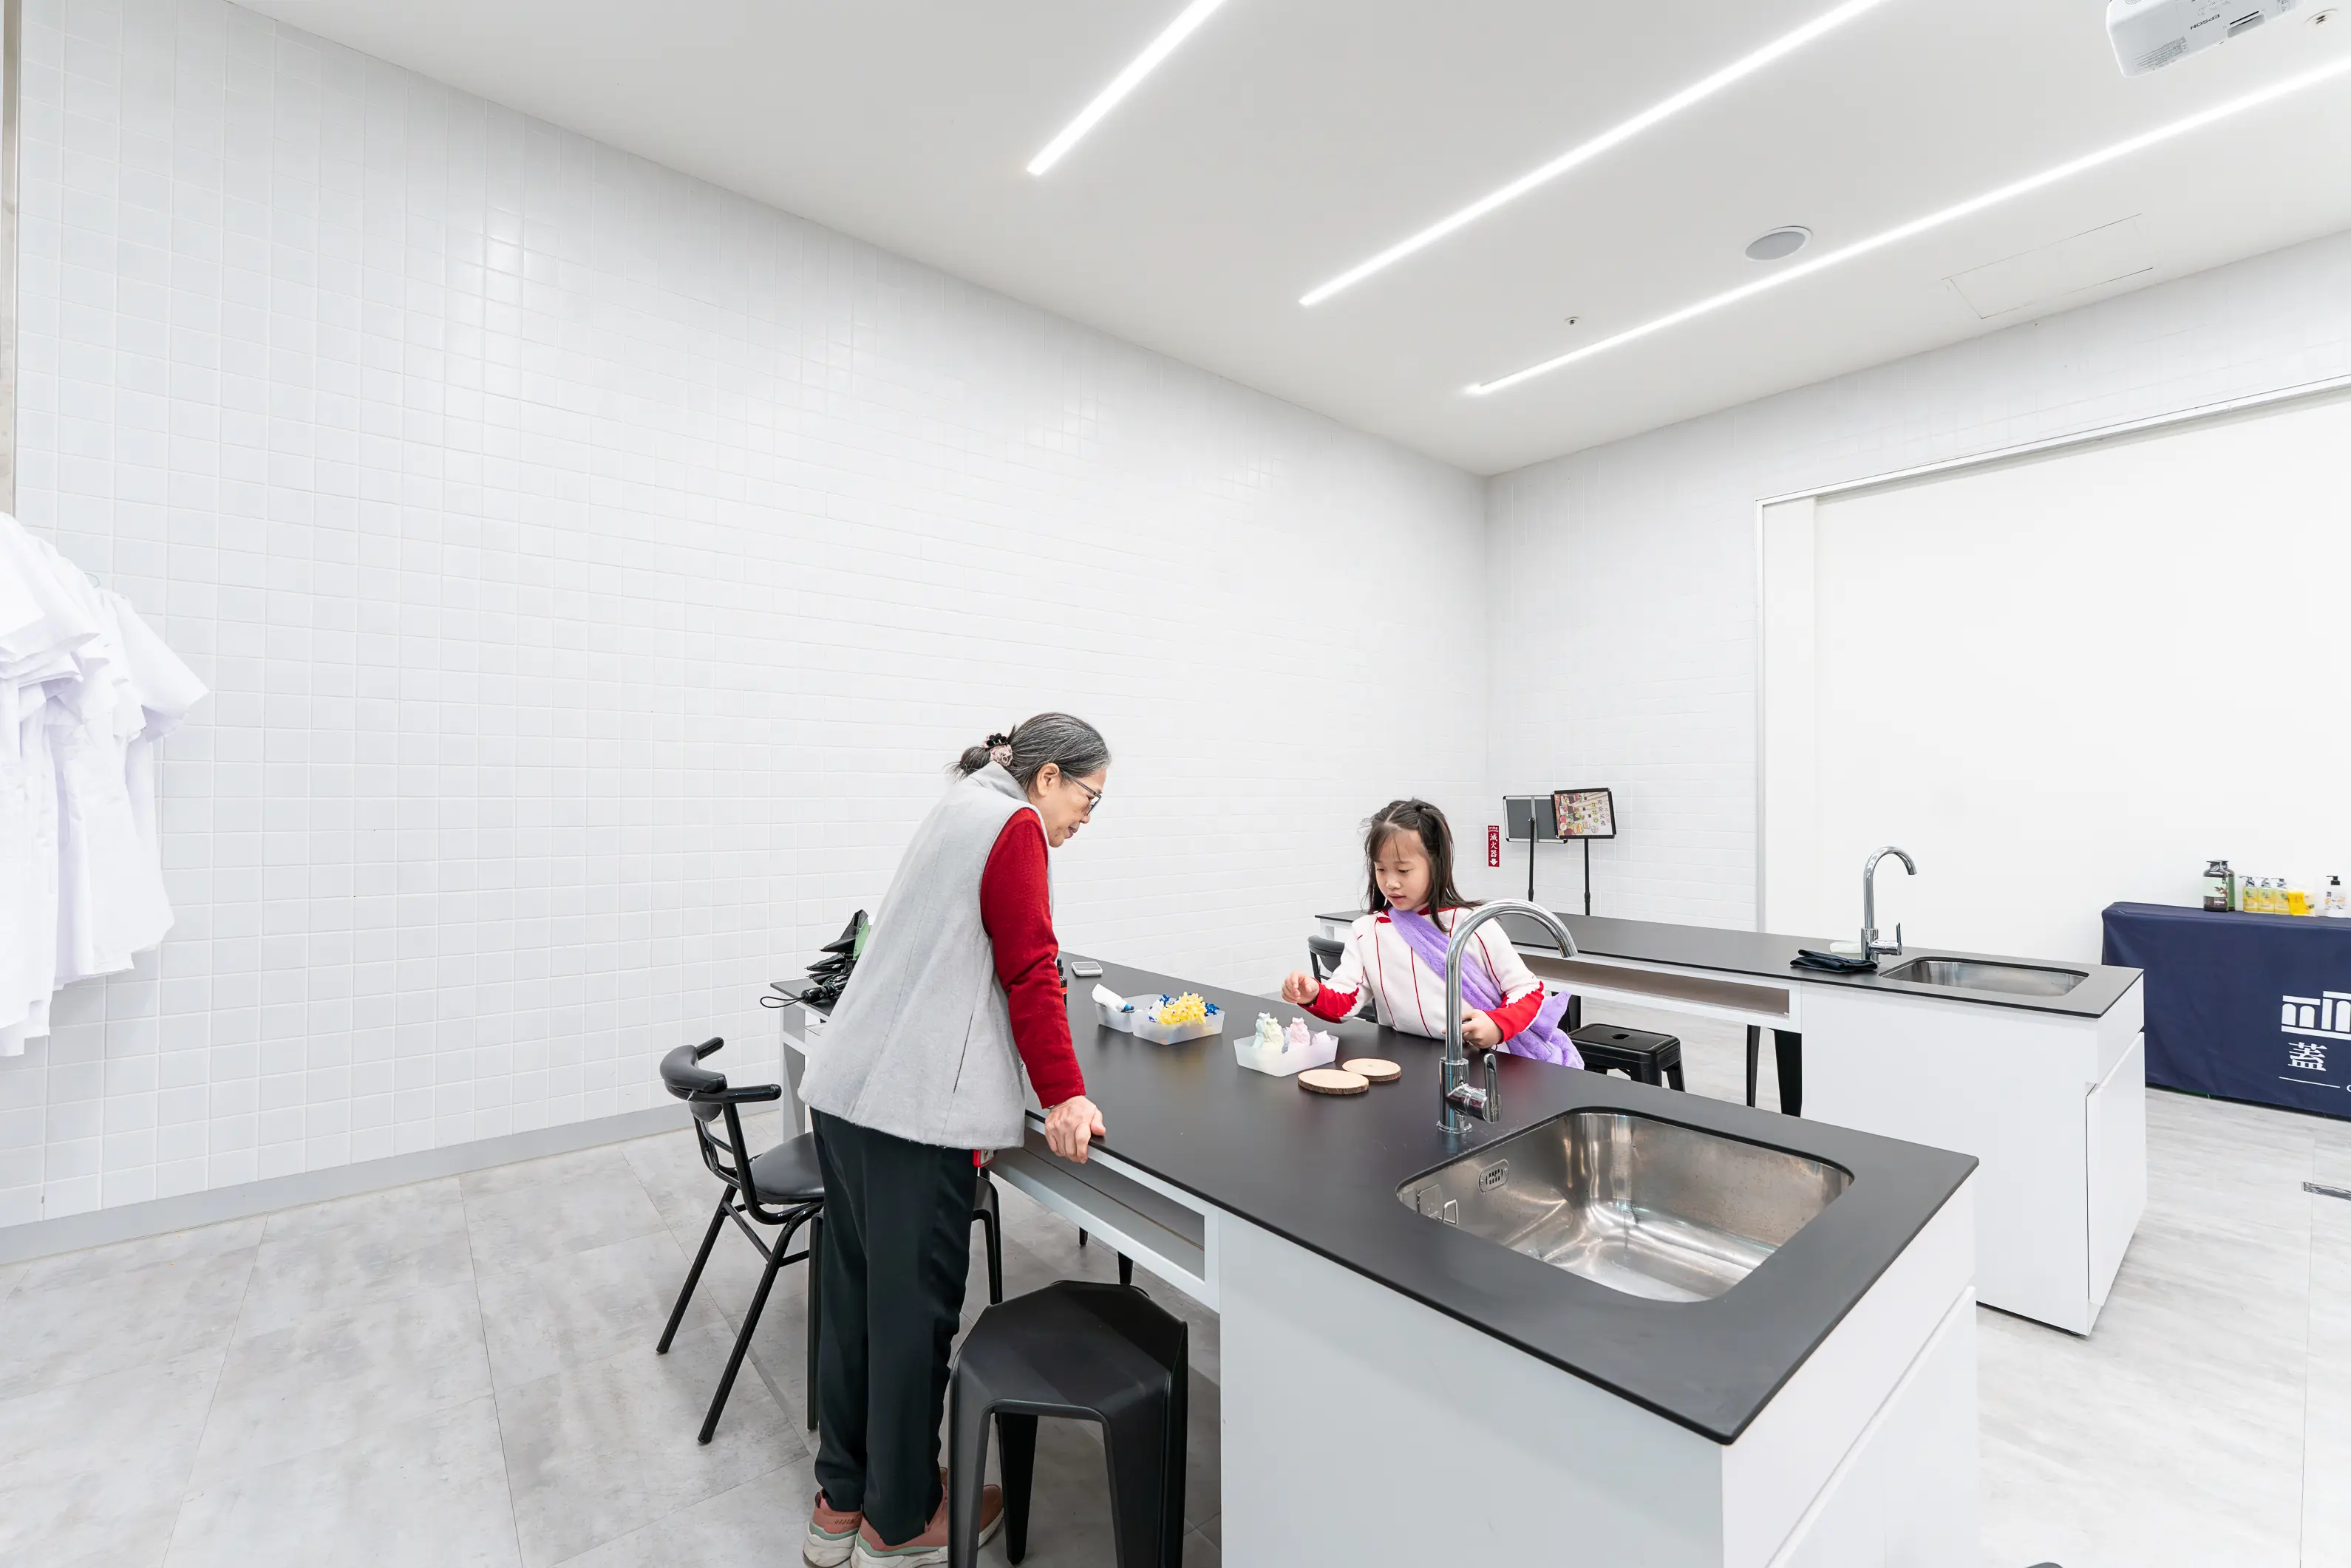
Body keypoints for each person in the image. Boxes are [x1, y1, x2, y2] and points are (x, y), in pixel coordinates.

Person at [795, 714, 1112, 1567]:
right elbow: (1030, 968)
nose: (1087, 817)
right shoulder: (1014, 825)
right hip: (913, 1113)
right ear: (1048, 778)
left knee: (856, 1306)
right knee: (912, 1319)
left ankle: (841, 1501)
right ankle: (901, 1519)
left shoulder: (959, 806)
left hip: (847, 1093)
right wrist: (1063, 1094)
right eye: (1088, 798)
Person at [1280, 798, 1582, 1066]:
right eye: (1381, 869)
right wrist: (1314, 994)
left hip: (1480, 1063)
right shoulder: (1368, 932)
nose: (1391, 882)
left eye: (1403, 870)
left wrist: (1497, 1025)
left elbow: (1529, 990)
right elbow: (1346, 1001)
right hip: (1403, 1062)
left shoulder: (1472, 925)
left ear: (1435, 864)